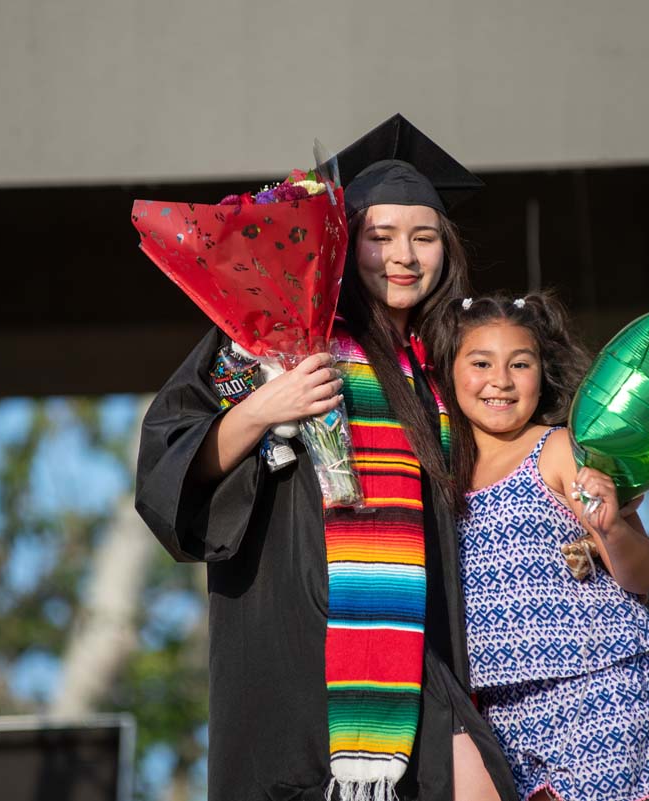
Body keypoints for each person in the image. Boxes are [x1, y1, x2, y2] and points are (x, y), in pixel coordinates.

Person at [134, 115, 518, 801]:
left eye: (424, 236)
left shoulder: (449, 364)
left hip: (416, 638)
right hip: (294, 634)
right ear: (343, 241)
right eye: (381, 236)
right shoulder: (275, 338)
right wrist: (263, 408)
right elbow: (172, 463)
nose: (404, 255)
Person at [432, 293, 649, 801]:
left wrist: (611, 530)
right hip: (500, 704)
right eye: (481, 363)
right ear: (448, 372)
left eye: (520, 364)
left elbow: (642, 574)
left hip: (597, 687)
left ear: (542, 374)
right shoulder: (441, 473)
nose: (501, 380)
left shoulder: (563, 449)